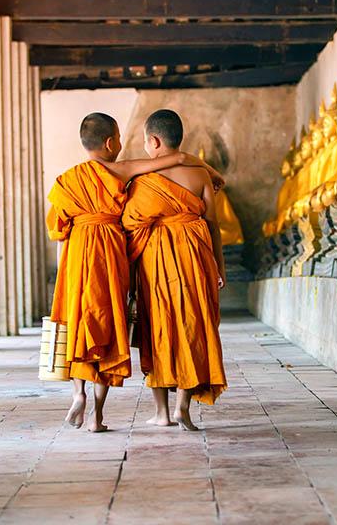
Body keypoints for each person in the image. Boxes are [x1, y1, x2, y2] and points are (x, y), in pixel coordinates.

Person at [46, 112, 222, 433]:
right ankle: (117, 412)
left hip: (91, 257)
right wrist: (209, 170)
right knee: (127, 327)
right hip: (145, 254)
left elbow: (61, 229)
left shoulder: (67, 181)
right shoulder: (124, 170)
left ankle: (80, 393)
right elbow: (208, 217)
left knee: (88, 324)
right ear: (112, 142)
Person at [122, 109, 228, 432]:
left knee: (158, 329)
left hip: (156, 261)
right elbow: (213, 226)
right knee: (192, 327)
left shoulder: (143, 182)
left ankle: (162, 413)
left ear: (154, 142)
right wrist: (219, 267)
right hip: (196, 258)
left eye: (144, 142)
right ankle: (184, 406)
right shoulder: (200, 176)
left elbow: (128, 223)